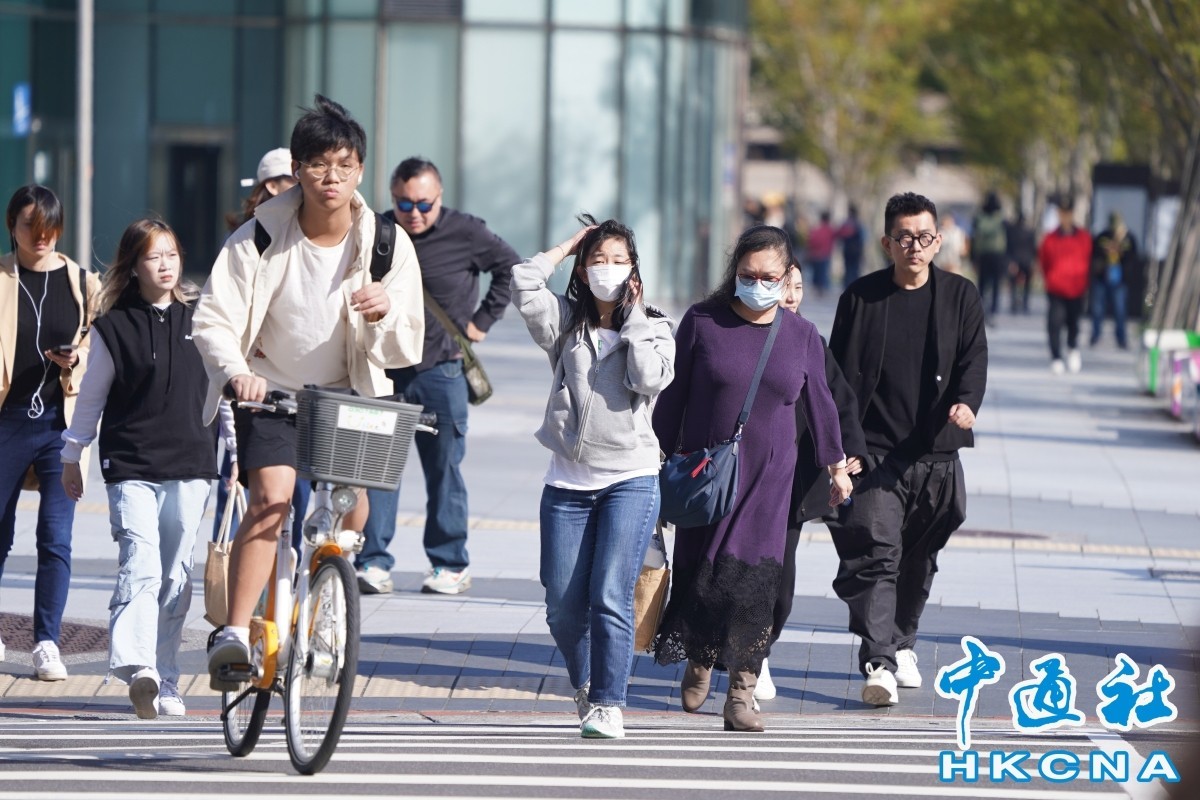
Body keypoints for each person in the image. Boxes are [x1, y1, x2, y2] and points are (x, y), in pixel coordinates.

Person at [194, 95, 425, 689]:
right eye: (319, 164)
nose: (332, 177)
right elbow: (212, 319)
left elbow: (409, 343)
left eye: (345, 165)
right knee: (271, 499)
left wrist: (386, 310)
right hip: (271, 390)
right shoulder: (259, 236)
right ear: (296, 169)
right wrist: (235, 372)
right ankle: (234, 634)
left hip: (349, 392)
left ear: (360, 171)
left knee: (353, 506)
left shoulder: (387, 245)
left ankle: (328, 601)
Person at [651, 225, 852, 733]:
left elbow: (822, 406)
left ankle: (740, 692)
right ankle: (700, 659)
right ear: (733, 273)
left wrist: (835, 466)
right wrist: (654, 460)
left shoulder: (801, 335)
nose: (756, 283)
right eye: (747, 275)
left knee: (758, 584)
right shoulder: (702, 322)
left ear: (787, 279)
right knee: (703, 571)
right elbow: (672, 400)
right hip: (709, 474)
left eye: (767, 276)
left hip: (771, 477)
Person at [511, 214, 675, 740]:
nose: (607, 269)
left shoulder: (655, 325)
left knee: (610, 593)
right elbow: (522, 280)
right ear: (582, 271)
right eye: (597, 260)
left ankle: (609, 702)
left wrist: (632, 321)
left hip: (631, 478)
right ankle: (584, 684)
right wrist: (567, 246)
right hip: (567, 483)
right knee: (561, 605)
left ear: (634, 271)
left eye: (618, 261)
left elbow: (649, 379)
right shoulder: (564, 323)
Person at [825, 192, 988, 707]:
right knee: (877, 555)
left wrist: (966, 404)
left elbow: (973, 361)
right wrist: (839, 442)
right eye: (903, 237)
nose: (914, 247)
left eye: (923, 237)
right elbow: (835, 374)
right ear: (887, 243)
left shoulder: (961, 296)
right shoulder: (861, 298)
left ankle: (902, 639)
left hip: (935, 455)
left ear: (938, 241)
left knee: (919, 558)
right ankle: (879, 662)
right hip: (874, 456)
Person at [60, 218, 216, 718]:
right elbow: (91, 399)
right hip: (131, 464)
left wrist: (234, 457)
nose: (166, 264)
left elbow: (223, 391)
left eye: (171, 253)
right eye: (154, 256)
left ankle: (168, 678)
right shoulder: (113, 327)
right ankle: (138, 668)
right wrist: (72, 455)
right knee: (141, 563)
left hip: (192, 461)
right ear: (134, 266)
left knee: (174, 576)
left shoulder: (203, 318)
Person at [357, 157, 519, 596]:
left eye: (424, 204)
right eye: (404, 203)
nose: (414, 213)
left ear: (439, 198)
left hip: (442, 369)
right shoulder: (378, 231)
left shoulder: (466, 231)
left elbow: (511, 268)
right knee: (379, 469)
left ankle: (450, 563)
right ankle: (372, 562)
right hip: (385, 370)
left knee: (444, 470)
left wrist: (482, 321)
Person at [754, 266, 868, 703]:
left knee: (780, 578)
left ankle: (757, 650)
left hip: (791, 481)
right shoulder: (735, 333)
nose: (792, 297)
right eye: (784, 287)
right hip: (739, 479)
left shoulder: (809, 340)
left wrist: (848, 452)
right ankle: (736, 654)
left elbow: (835, 400)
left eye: (798, 288)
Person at [0, 185, 100, 680]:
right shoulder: (0, 277)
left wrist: (79, 358)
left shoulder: (82, 281)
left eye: (49, 230)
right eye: (29, 229)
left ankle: (46, 642)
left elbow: (102, 341)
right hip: (7, 420)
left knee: (56, 537)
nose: (40, 238)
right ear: (11, 227)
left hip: (61, 425)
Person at [213, 147, 307, 546]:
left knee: (299, 499)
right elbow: (219, 321)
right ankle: (236, 578)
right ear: (273, 185)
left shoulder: (309, 233)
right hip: (252, 385)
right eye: (296, 181)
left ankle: (292, 581)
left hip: (303, 386)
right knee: (246, 491)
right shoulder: (245, 241)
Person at [1038, 197, 1092, 374]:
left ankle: (1072, 348)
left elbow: (1088, 260)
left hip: (1077, 288)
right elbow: (1044, 261)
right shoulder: (1050, 238)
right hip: (1057, 288)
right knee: (1054, 323)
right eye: (1062, 213)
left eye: (1068, 213)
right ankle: (1056, 357)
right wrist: (1050, 279)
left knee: (1073, 322)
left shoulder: (1083, 238)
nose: (1065, 217)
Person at [1089, 211, 1137, 349]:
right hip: (1102, 278)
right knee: (1098, 309)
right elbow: (1094, 254)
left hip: (1120, 280)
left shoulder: (1128, 238)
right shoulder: (1102, 237)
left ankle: (1121, 338)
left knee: (1120, 310)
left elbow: (1132, 257)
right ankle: (1095, 335)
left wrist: (1121, 252)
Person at [971, 192, 1007, 321]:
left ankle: (981, 308)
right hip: (997, 254)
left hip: (983, 254)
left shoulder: (979, 218)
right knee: (996, 284)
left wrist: (973, 257)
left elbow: (974, 238)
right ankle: (993, 309)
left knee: (982, 283)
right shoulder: (1001, 218)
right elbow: (1007, 239)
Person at [1005, 211, 1036, 314]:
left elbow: (1009, 247)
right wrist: (1033, 261)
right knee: (1027, 284)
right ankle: (1025, 303)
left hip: (1015, 260)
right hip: (1027, 260)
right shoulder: (1030, 232)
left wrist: (1010, 261)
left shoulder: (1012, 232)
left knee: (1013, 283)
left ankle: (1014, 303)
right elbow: (1033, 248)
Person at [804, 211, 836, 296]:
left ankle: (817, 287)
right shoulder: (830, 230)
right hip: (825, 254)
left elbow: (811, 240)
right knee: (823, 272)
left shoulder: (816, 229)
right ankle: (822, 288)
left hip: (815, 254)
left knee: (816, 272)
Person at [837, 204, 865, 289]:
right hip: (856, 250)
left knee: (848, 268)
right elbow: (863, 238)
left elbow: (840, 235)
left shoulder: (846, 223)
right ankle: (854, 287)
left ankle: (847, 286)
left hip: (847, 249)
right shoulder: (859, 224)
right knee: (855, 269)